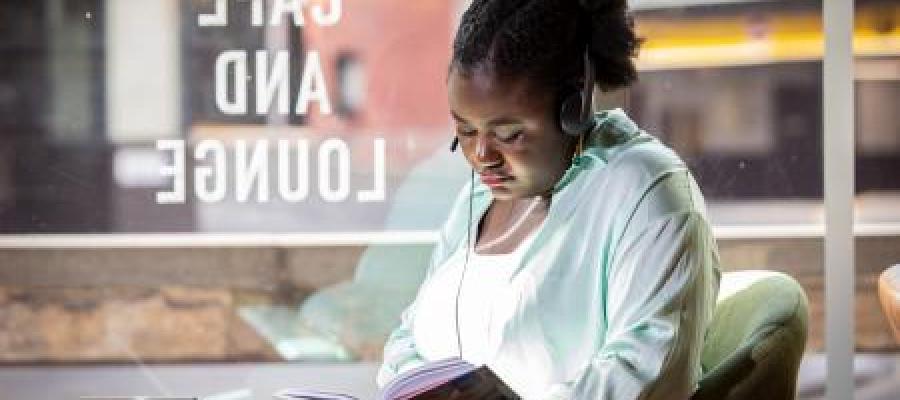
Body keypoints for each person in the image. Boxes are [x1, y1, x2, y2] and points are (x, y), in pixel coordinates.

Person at [377, 0, 720, 399]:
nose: (481, 156)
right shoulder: (476, 198)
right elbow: (410, 336)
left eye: (508, 134)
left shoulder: (645, 191)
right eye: (465, 130)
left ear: (573, 109)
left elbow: (650, 374)